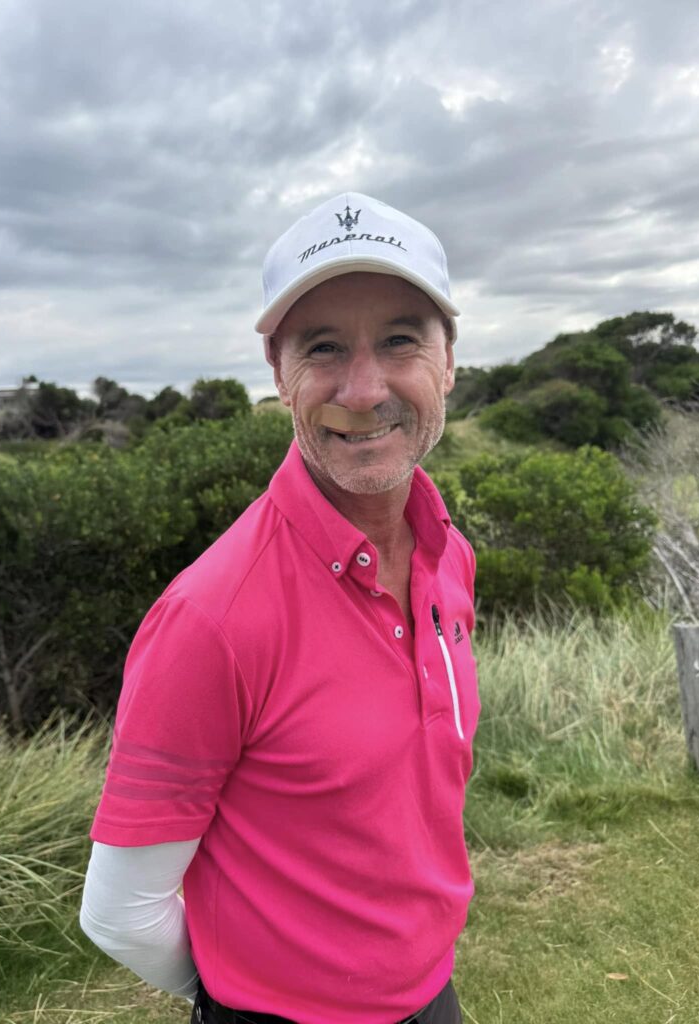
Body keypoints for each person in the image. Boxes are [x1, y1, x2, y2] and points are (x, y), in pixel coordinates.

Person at [80, 192, 479, 1024]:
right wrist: (248, 998)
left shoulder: (448, 554)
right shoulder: (211, 619)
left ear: (448, 359)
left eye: (400, 340)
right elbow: (119, 912)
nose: (362, 390)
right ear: (277, 371)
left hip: (431, 995)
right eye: (323, 347)